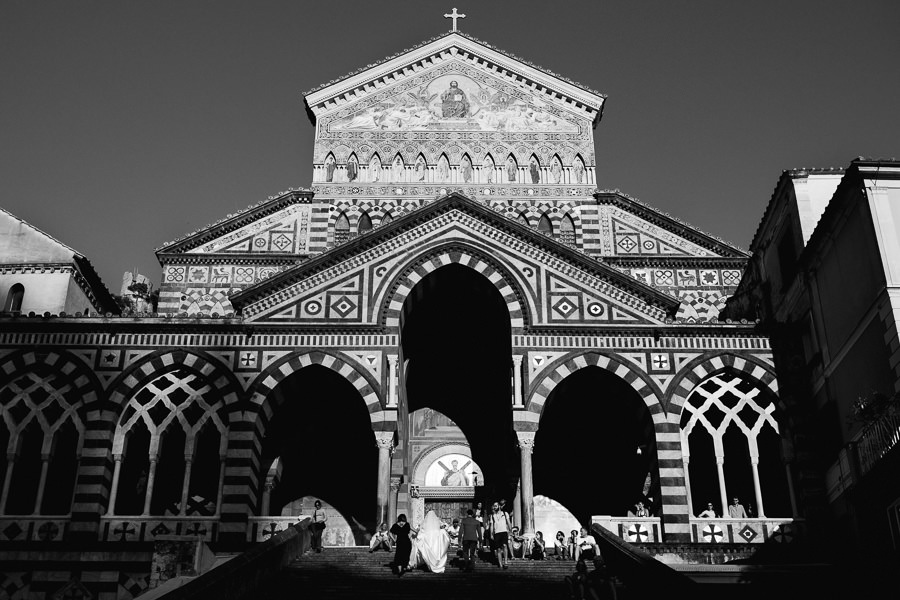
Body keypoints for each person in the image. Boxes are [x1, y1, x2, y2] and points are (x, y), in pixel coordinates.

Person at [488, 500, 512, 569]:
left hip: (504, 532)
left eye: (496, 506)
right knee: (498, 549)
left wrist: (510, 531)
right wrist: (491, 534)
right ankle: (500, 565)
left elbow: (509, 522)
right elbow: (492, 526)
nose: (495, 507)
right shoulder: (492, 516)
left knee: (505, 546)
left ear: (499, 506)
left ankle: (506, 562)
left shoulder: (505, 513)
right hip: (496, 533)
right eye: (494, 506)